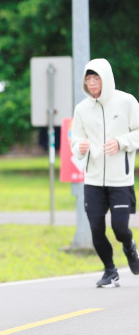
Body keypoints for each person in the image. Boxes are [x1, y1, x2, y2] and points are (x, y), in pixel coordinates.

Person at [71, 58, 139, 287]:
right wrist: (79, 147)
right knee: (96, 230)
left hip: (120, 180)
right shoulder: (81, 109)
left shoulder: (127, 102)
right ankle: (110, 271)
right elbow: (76, 141)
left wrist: (120, 142)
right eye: (88, 79)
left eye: (96, 78)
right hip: (93, 180)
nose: (91, 83)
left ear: (106, 79)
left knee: (120, 229)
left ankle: (129, 246)